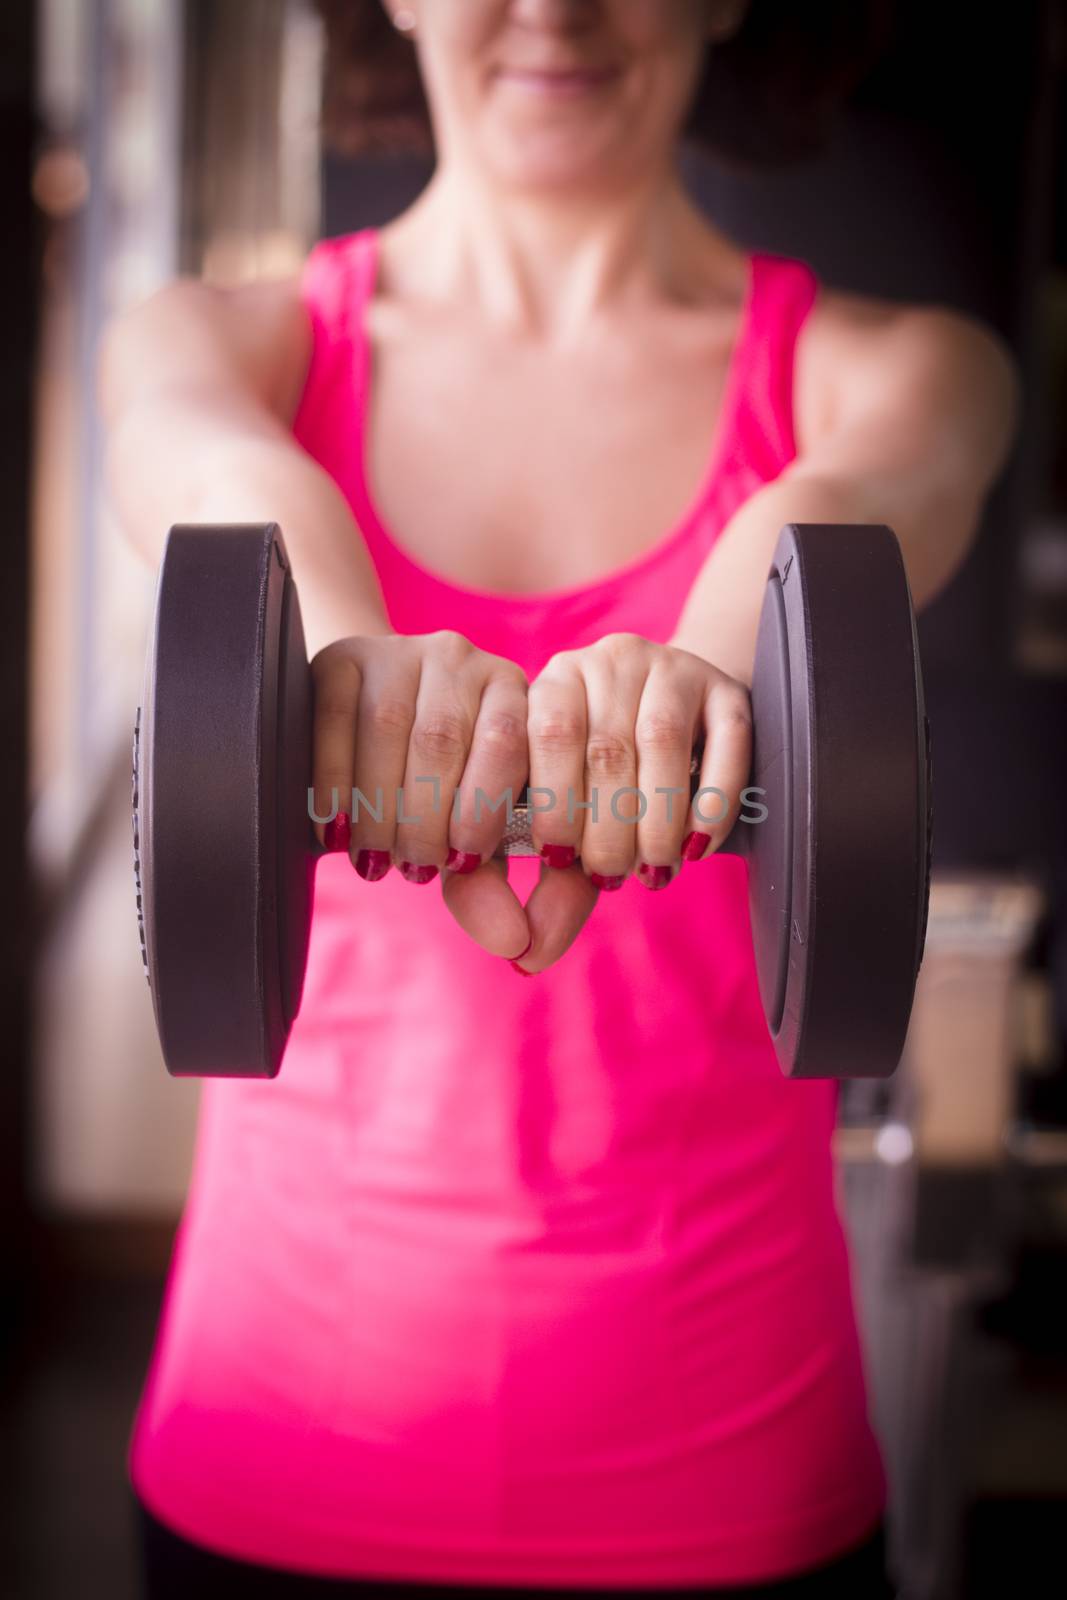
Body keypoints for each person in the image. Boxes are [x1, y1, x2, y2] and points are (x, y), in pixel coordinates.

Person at [98, 2, 1020, 1595]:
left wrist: (688, 683)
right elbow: (210, 471)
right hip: (272, 1462)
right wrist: (343, 652)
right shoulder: (216, 343)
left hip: (738, 1493)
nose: (553, 8)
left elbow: (845, 515)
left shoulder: (903, 369)